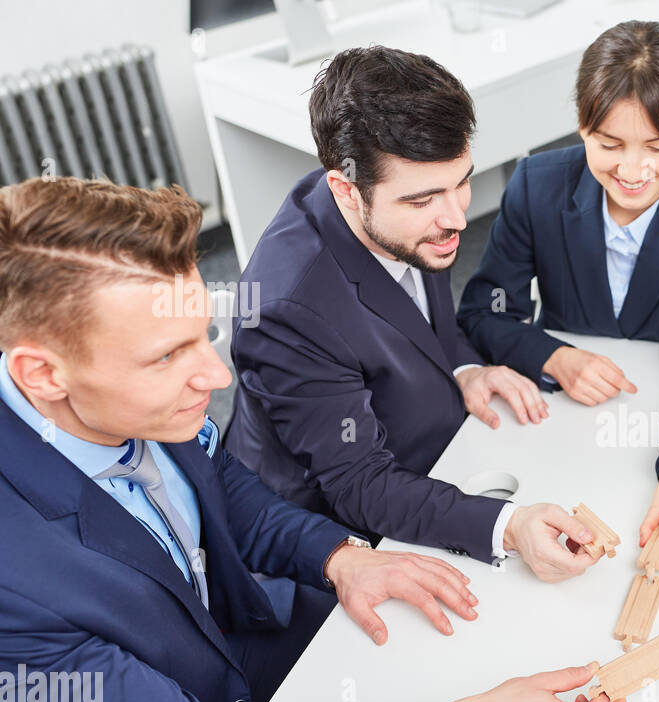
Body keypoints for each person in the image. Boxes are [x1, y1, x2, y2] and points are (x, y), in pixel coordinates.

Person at [0, 177, 624, 702]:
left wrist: (338, 556)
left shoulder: (126, 394)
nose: (214, 376)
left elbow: (221, 486)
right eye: (168, 357)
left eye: (202, 335)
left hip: (222, 669)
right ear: (43, 374)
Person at [225, 46, 596, 584]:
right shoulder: (286, 312)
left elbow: (419, 320)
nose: (456, 218)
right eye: (424, 199)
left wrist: (466, 367)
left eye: (462, 181)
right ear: (345, 191)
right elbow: (359, 485)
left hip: (433, 446)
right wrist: (508, 527)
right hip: (335, 531)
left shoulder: (402, 213)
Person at [457, 20, 659, 559]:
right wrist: (554, 356)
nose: (633, 170)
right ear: (582, 125)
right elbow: (484, 312)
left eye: (658, 146)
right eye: (610, 144)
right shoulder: (535, 186)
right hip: (559, 422)